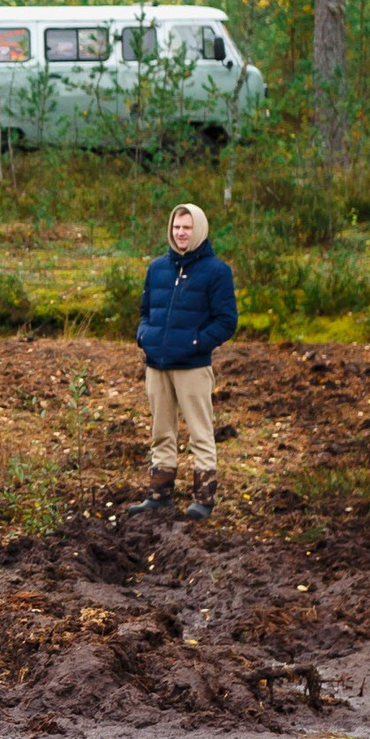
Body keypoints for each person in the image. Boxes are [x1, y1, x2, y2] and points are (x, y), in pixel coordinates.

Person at [131, 201, 238, 519]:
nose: (181, 233)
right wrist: (145, 337)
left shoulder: (217, 272)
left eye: (187, 228)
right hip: (157, 365)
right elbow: (145, 311)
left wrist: (195, 342)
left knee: (201, 433)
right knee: (161, 431)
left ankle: (203, 500)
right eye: (177, 227)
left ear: (199, 231)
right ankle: (159, 494)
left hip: (192, 367)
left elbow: (226, 320)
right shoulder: (157, 268)